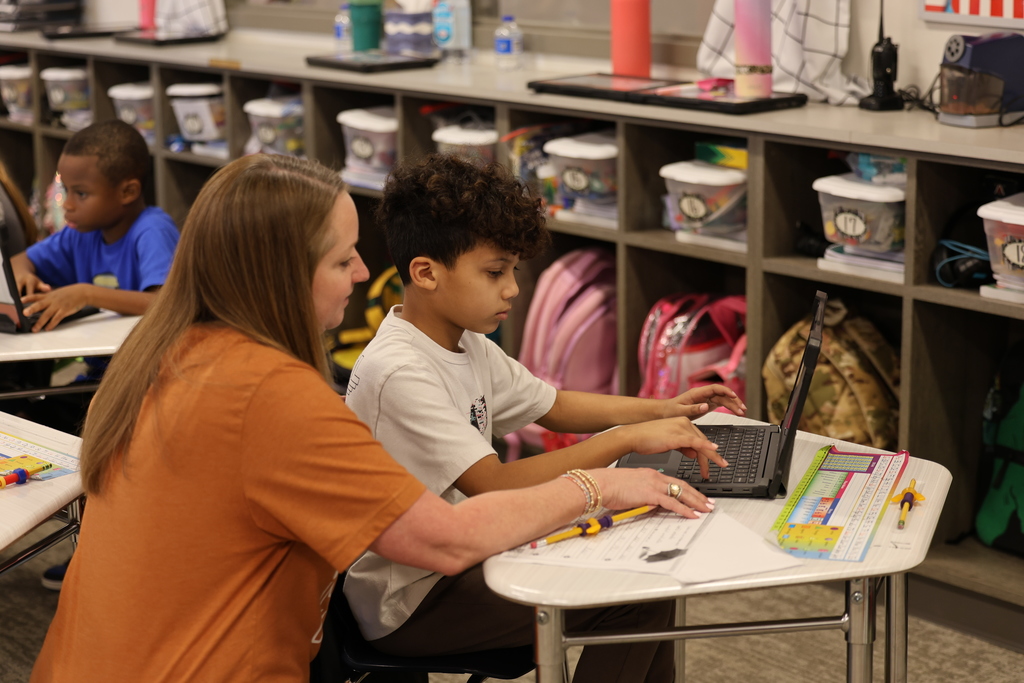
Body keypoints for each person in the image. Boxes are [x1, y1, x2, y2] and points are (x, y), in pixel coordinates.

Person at [30, 154, 706, 683]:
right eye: (340, 258)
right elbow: (444, 540)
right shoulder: (270, 393)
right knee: (635, 583)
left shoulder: (174, 351)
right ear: (282, 274)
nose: (360, 273)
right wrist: (607, 482)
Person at [341, 154, 744, 682]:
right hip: (411, 600)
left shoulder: (464, 342)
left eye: (512, 271)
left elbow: (554, 404)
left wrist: (665, 408)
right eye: (494, 272)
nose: (511, 288)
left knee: (650, 584)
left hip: (468, 554)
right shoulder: (400, 371)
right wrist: (625, 440)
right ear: (426, 273)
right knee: (631, 600)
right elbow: (492, 483)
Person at [11, 119, 178, 332]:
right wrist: (24, 277)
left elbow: (165, 303)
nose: (67, 204)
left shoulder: (153, 231)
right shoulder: (81, 232)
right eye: (65, 190)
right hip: (100, 360)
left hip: (147, 364)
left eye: (81, 193)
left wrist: (86, 294)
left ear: (128, 192)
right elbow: (18, 262)